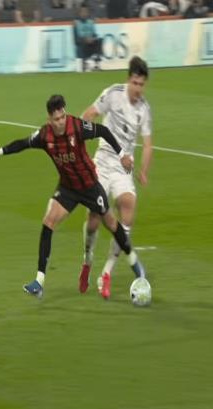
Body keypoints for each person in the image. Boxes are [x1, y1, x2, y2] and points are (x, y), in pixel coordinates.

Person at [0, 94, 145, 299]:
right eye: (57, 119)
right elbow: (22, 143)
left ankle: (134, 262)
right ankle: (39, 281)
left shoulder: (77, 127)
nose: (61, 121)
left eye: (63, 116)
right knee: (48, 221)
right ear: (50, 119)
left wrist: (121, 155)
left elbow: (103, 130)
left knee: (111, 224)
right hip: (68, 188)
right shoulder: (44, 136)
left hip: (90, 186)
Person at [79, 56, 152, 299]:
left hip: (123, 167)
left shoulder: (144, 109)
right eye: (135, 83)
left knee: (128, 210)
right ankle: (87, 259)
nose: (138, 88)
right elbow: (89, 113)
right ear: (128, 79)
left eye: (142, 84)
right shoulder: (113, 93)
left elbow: (148, 143)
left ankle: (106, 273)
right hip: (102, 162)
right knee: (94, 219)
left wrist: (144, 170)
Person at [73, 5, 102, 72]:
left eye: (86, 12)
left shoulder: (90, 22)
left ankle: (96, 62)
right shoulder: (76, 23)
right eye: (82, 12)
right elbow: (77, 35)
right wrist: (86, 39)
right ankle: (85, 63)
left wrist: (92, 38)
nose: (84, 13)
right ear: (79, 13)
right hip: (82, 41)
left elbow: (94, 34)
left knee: (99, 40)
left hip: (91, 41)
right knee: (82, 42)